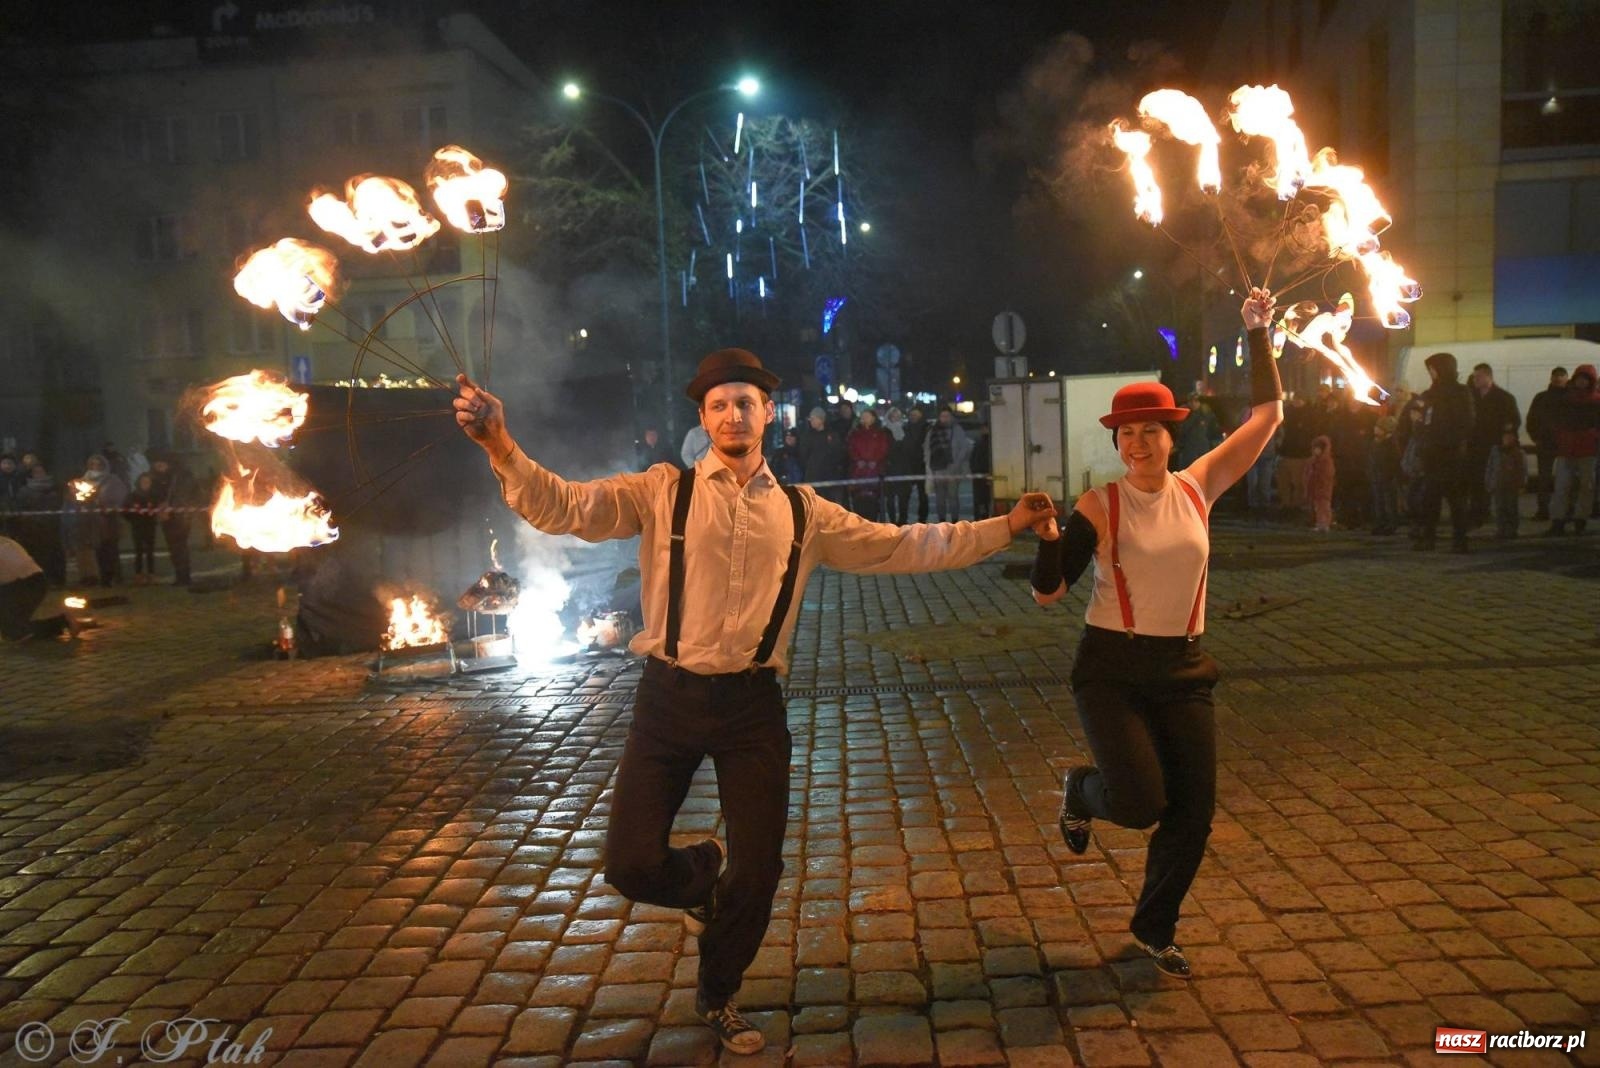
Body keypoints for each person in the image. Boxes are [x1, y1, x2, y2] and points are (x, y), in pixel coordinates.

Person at [455, 351, 1054, 1055]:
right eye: (719, 405)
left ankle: (718, 991)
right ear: (703, 418)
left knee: (760, 868)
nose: (733, 415)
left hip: (752, 707)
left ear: (769, 413)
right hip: (668, 698)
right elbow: (566, 506)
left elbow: (905, 546)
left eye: (745, 403)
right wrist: (500, 444)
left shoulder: (804, 512)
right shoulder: (662, 491)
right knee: (629, 864)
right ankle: (700, 878)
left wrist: (1005, 526)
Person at [1030, 289, 1282, 981]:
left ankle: (1154, 927)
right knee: (1141, 803)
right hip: (1111, 669)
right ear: (1116, 443)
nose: (1139, 444)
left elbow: (1268, 415)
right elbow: (1049, 593)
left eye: (1151, 431)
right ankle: (1082, 790)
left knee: (1193, 812)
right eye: (1127, 435)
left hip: (1183, 668)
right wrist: (1049, 539)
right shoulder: (1099, 503)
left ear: (1173, 437)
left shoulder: (1199, 487)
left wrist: (1257, 331)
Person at [1413, 352, 1476, 553]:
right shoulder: (1429, 394)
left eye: (1433, 369)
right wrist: (1418, 423)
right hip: (1431, 456)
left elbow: (1465, 423)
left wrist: (1446, 439)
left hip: (1452, 456)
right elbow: (1421, 421)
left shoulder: (1460, 393)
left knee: (1456, 500)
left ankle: (1460, 540)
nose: (1431, 373)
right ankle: (1428, 538)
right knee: (1430, 499)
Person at [1547, 363, 1599, 536]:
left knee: (1586, 486)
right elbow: (1556, 421)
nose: (1582, 382)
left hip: (1587, 449)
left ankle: (1580, 519)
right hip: (1567, 448)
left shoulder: (1596, 401)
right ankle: (1558, 520)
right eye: (1580, 379)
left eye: (1586, 379)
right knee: (1562, 486)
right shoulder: (1566, 400)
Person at [1467, 363, 1522, 528]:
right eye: (1474, 377)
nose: (1475, 380)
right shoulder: (1471, 397)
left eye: (1478, 376)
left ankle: (1504, 520)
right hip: (1476, 447)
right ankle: (1478, 514)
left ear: (1488, 376)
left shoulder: (1504, 398)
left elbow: (1514, 421)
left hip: (1496, 447)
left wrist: (1506, 435)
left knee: (1499, 484)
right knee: (1476, 482)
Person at [0, 534, 65, 643]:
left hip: (24, 584)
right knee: (13, 627)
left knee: (14, 630)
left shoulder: (4, 544)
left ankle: (61, 622)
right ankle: (60, 623)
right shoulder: (5, 541)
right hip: (30, 581)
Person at [1526, 367, 1568, 521]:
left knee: (1565, 480)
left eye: (1561, 375)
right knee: (1544, 480)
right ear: (1551, 378)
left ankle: (1563, 512)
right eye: (1556, 375)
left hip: (1566, 444)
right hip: (1546, 443)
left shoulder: (1571, 397)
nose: (1558, 378)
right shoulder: (1541, 397)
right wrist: (1536, 437)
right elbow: (1531, 419)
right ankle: (1543, 510)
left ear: (1567, 378)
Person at [149, 451, 196, 586]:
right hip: (167, 517)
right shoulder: (157, 478)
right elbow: (155, 494)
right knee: (174, 547)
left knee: (179, 546)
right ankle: (180, 575)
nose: (158, 467)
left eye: (161, 464)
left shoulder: (181, 476)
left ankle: (184, 576)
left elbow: (186, 494)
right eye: (156, 464)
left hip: (180, 516)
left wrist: (171, 506)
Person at [924, 409, 971, 522]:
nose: (945, 418)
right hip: (938, 469)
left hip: (953, 469)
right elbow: (927, 449)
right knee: (940, 497)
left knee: (953, 496)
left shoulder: (957, 430)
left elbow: (963, 448)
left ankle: (954, 520)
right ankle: (942, 520)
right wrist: (929, 466)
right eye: (942, 416)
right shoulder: (933, 431)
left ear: (951, 417)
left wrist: (956, 464)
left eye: (947, 416)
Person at [796, 407, 849, 504]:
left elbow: (838, 453)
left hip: (830, 476)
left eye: (814, 419)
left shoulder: (832, 435)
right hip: (813, 476)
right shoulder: (807, 436)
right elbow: (803, 455)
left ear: (821, 419)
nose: (811, 421)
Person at [846, 408, 891, 520]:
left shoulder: (880, 433)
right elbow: (851, 448)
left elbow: (883, 448)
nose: (864, 418)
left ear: (873, 418)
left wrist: (875, 460)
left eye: (867, 416)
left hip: (874, 471)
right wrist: (858, 460)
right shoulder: (855, 433)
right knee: (859, 502)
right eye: (863, 416)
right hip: (859, 472)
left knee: (873, 503)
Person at [1275, 396, 1314, 519]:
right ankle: (1287, 505)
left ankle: (1296, 506)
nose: (1297, 401)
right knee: (1284, 482)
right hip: (1286, 453)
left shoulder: (1308, 414)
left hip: (1300, 454)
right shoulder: (1287, 412)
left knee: (1298, 483)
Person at [1487, 428, 1527, 539]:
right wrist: (1489, 482)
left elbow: (1522, 470)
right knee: (1500, 508)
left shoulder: (1518, 453)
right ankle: (1501, 529)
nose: (1508, 439)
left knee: (1511, 507)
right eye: (1505, 437)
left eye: (1510, 437)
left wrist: (1521, 484)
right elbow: (1490, 467)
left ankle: (1511, 530)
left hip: (1512, 485)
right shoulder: (1496, 451)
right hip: (1498, 483)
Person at [1368, 413, 1401, 536]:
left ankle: (1391, 524)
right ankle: (1380, 523)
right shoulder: (1375, 442)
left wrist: (1389, 474)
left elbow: (1394, 462)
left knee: (1389, 501)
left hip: (1387, 477)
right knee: (1379, 501)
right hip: (1377, 476)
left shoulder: (1390, 444)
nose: (1375, 429)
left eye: (1378, 427)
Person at [125, 472, 160, 583]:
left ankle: (151, 574)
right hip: (137, 525)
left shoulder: (154, 495)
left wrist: (153, 513)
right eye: (143, 482)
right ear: (139, 483)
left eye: (147, 482)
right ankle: (138, 574)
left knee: (150, 551)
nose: (145, 484)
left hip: (150, 525)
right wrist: (133, 518)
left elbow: (157, 508)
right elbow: (125, 510)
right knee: (138, 550)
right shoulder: (132, 496)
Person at [902, 407, 931, 523]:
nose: (914, 416)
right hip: (908, 464)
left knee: (923, 495)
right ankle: (903, 517)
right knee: (905, 494)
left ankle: (922, 518)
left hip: (922, 464)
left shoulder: (927, 428)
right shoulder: (905, 427)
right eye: (912, 414)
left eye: (916, 414)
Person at [1305, 434, 1336, 532]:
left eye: (1318, 448)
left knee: (1323, 506)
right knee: (1318, 507)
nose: (1316, 450)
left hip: (1323, 488)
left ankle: (1324, 524)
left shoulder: (1327, 461)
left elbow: (1327, 475)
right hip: (1315, 488)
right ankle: (1320, 523)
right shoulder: (1313, 461)